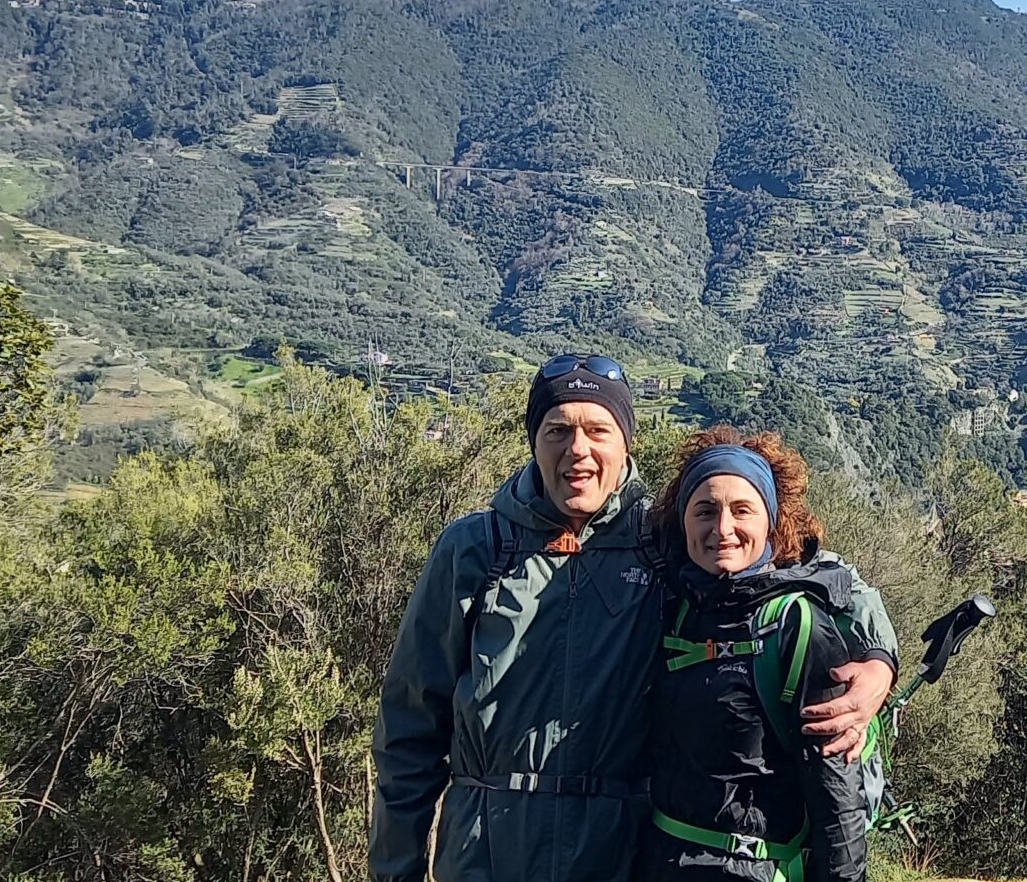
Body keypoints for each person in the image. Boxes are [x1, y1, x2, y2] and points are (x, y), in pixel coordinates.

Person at [369, 354, 897, 882]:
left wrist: (878, 661)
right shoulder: (476, 548)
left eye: (598, 429)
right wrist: (397, 868)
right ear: (534, 440)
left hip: (617, 855)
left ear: (626, 442)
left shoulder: (663, 537)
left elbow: (817, 574)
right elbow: (410, 726)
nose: (578, 449)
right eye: (557, 430)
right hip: (484, 854)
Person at [642, 427, 876, 882]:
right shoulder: (669, 609)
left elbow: (837, 804)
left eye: (741, 510)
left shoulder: (798, 628)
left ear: (770, 522)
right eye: (705, 511)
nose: (722, 529)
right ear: (683, 522)